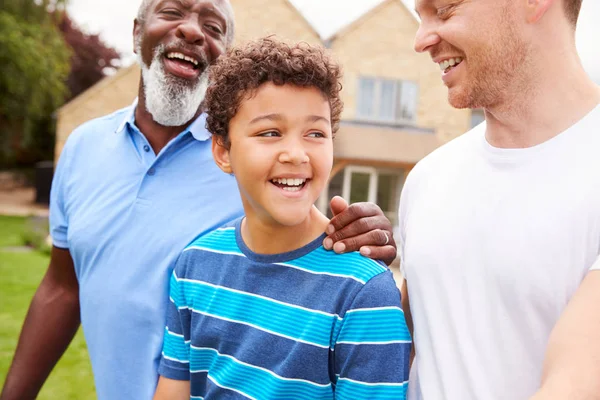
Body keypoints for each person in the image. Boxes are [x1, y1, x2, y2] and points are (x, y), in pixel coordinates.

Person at [0, 1, 398, 399]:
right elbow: (61, 287)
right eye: (172, 12)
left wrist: (366, 235)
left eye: (213, 26)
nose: (192, 31)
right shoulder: (83, 147)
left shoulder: (254, 167)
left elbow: (305, 219)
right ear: (137, 31)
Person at [152, 37, 411, 400]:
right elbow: (173, 391)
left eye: (315, 133)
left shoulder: (363, 292)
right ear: (223, 151)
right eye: (270, 133)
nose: (296, 153)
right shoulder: (194, 265)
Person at [399, 0, 600, 399]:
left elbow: (575, 384)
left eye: (445, 10)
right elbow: (397, 353)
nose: (421, 40)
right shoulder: (426, 179)